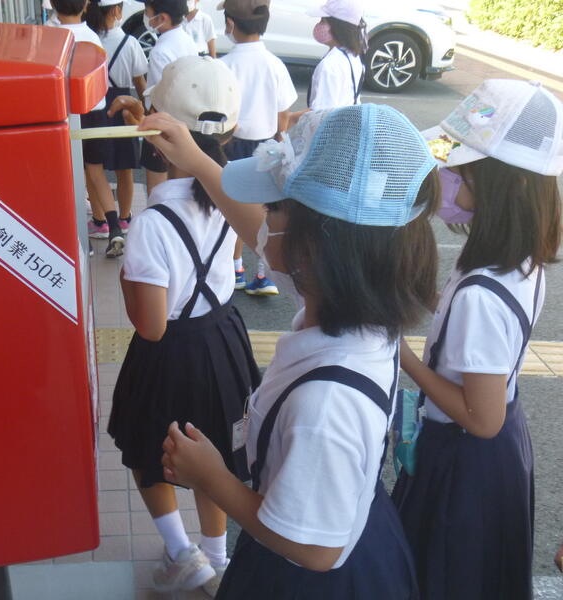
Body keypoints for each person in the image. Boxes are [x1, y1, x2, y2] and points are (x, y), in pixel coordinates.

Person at [146, 103, 439, 598]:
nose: (263, 222)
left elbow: (314, 550)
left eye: (274, 209)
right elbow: (260, 234)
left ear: (314, 248)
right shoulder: (354, 306)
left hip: (312, 574)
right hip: (346, 527)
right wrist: (194, 159)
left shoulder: (325, 403)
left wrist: (211, 478)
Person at [392, 79, 563, 600]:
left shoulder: (481, 296)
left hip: (465, 466)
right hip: (495, 453)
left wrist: (404, 356)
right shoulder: (518, 259)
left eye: (460, 173)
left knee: (448, 577)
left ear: (503, 186)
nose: (445, 180)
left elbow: (480, 418)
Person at [106, 56, 261, 596]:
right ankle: (216, 557)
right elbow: (232, 262)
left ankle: (181, 553)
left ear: (157, 143)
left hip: (169, 354)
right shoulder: (233, 199)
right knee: (212, 451)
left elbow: (150, 326)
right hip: (222, 340)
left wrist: (126, 280)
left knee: (150, 451)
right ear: (231, 132)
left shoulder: (151, 224)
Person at [219, 0, 297, 296]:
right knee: (267, 212)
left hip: (231, 145)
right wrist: (278, 138)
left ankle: (235, 268)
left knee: (231, 210)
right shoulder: (275, 64)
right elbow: (283, 115)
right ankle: (264, 274)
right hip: (268, 146)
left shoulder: (224, 66)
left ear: (230, 24)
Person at [48, 0, 126, 257]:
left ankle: (83, 239)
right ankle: (115, 227)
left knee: (70, 178)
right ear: (85, 5)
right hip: (95, 111)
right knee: (96, 172)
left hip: (65, 114)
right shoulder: (92, 37)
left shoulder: (50, 35)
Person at [85, 0, 148, 240]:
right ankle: (124, 218)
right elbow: (140, 83)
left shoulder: (88, 41)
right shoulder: (129, 43)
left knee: (94, 168)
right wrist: (145, 110)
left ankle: (100, 221)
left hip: (93, 107)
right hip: (123, 108)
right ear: (116, 10)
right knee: (124, 168)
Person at [138, 0, 198, 197]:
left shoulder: (160, 51)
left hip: (162, 124)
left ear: (162, 17)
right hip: (187, 121)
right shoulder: (187, 39)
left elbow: (159, 95)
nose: (146, 17)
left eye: (148, 12)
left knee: (157, 189)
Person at [307, 0, 366, 110]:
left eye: (323, 21)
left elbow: (321, 112)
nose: (318, 25)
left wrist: (289, 117)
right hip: (346, 118)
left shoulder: (329, 65)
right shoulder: (355, 57)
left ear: (337, 27)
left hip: (331, 120)